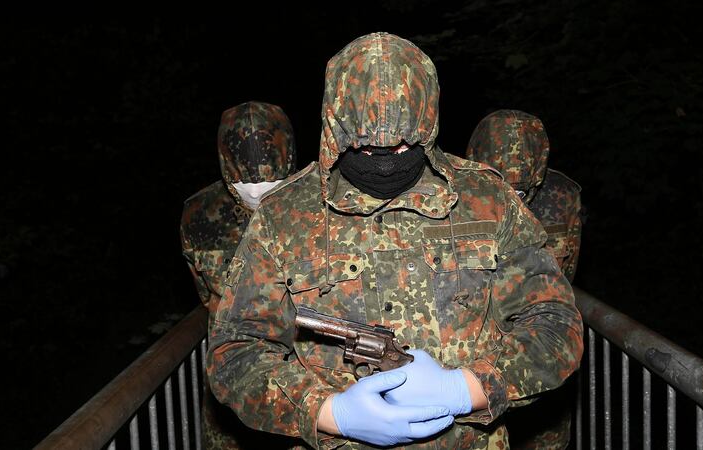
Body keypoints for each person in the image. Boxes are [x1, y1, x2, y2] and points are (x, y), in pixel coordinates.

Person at [207, 32, 583, 449]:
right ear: (336, 129)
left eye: (404, 143)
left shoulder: (489, 201)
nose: (385, 158)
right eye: (365, 147)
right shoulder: (282, 216)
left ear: (428, 124)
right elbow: (234, 352)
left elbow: (556, 326)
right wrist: (327, 413)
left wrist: (467, 388)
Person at [180, 100, 297, 449]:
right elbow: (204, 292)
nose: (258, 189)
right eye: (245, 180)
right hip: (231, 379)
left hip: (302, 379)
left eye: (272, 179)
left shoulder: (315, 206)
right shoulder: (199, 215)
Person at [466, 109, 583, 449]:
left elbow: (567, 276)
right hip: (474, 362)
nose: (511, 198)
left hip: (539, 358)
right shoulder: (454, 194)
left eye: (520, 189)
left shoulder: (561, 198)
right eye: (502, 186)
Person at [467, 110, 582, 282]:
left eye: (520, 191)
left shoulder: (561, 196)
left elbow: (567, 270)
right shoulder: (458, 194)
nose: (512, 194)